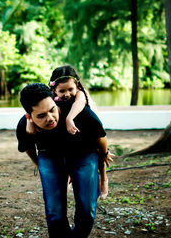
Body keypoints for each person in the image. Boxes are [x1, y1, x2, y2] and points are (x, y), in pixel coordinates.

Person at [16, 83, 111, 238]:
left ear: (55, 101)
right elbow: (27, 147)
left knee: (87, 209)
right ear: (29, 117)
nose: (50, 118)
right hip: (50, 157)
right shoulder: (24, 125)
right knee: (54, 212)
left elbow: (101, 137)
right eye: (41, 116)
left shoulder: (81, 114)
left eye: (52, 109)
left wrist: (104, 154)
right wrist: (40, 165)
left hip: (84, 154)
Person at [26, 65, 110, 199]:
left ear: (76, 86)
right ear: (54, 89)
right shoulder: (50, 98)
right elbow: (33, 107)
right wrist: (29, 122)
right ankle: (68, 176)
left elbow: (79, 104)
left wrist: (69, 118)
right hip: (69, 131)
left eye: (70, 89)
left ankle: (104, 178)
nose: (67, 94)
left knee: (98, 151)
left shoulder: (80, 94)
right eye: (62, 91)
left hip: (88, 124)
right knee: (66, 149)